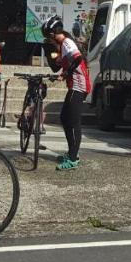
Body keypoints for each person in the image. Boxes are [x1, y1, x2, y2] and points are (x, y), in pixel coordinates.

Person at [43, 16, 89, 171]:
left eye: (47, 37)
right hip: (74, 85)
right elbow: (56, 67)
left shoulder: (67, 42)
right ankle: (71, 153)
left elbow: (78, 58)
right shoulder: (62, 46)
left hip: (79, 85)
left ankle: (73, 158)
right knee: (65, 118)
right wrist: (49, 53)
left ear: (51, 34)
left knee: (73, 121)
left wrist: (67, 72)